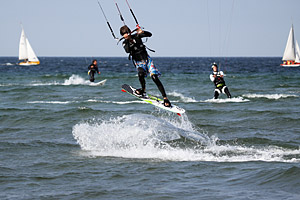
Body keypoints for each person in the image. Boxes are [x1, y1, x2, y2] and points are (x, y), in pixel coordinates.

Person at [120, 25, 171, 107]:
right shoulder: (124, 42)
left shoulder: (137, 36)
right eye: (123, 34)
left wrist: (142, 32)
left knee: (154, 77)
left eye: (126, 33)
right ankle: (143, 90)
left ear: (129, 32)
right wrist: (129, 40)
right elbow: (127, 50)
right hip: (139, 63)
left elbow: (150, 34)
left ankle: (165, 98)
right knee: (140, 75)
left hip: (147, 61)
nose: (125, 35)